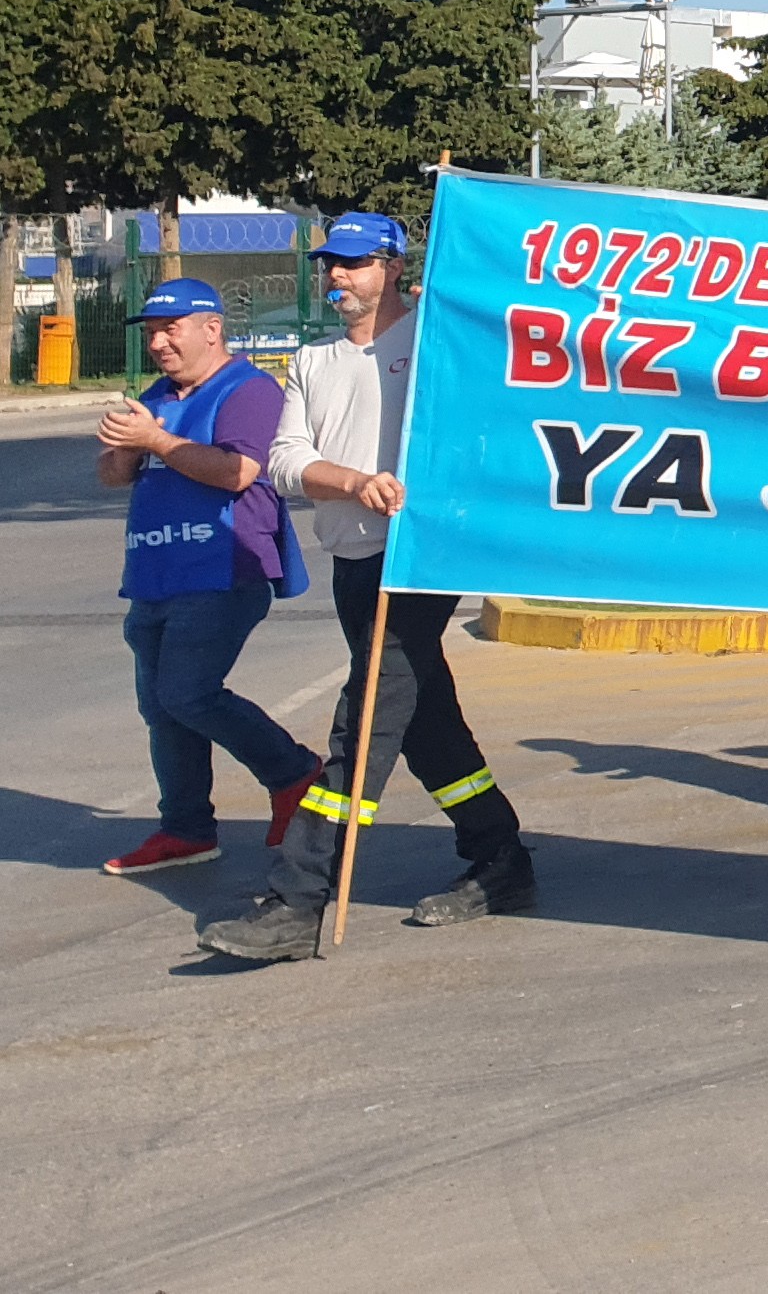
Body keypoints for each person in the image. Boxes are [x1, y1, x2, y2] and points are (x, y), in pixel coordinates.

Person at [200, 214, 532, 962]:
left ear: (391, 266)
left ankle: (297, 896)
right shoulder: (313, 361)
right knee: (424, 722)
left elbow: (481, 433)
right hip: (352, 559)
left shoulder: (434, 344)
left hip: (416, 561)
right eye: (330, 265)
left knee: (363, 727)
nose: (337, 278)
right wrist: (354, 482)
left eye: (353, 263)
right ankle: (501, 856)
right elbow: (286, 458)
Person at [97, 278, 321, 879]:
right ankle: (186, 829)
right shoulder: (159, 394)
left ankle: (295, 773)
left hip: (223, 567)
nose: (159, 343)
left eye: (170, 329)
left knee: (188, 693)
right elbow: (115, 477)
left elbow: (238, 472)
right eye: (151, 333)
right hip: (155, 572)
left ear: (211, 328)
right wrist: (123, 446)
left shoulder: (248, 389)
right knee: (163, 708)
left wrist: (157, 440)